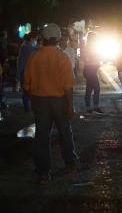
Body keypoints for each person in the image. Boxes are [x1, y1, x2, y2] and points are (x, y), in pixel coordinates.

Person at [24, 23, 77, 185]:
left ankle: (43, 173)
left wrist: (34, 99)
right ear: (58, 38)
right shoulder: (62, 57)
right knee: (65, 132)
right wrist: (70, 105)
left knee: (41, 136)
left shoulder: (34, 57)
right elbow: (68, 85)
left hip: (40, 100)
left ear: (43, 38)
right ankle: (69, 162)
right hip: (59, 100)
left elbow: (27, 84)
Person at [81, 32, 103, 114]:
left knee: (89, 89)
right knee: (97, 88)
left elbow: (100, 58)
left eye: (95, 37)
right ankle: (94, 107)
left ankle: (89, 107)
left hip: (93, 69)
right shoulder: (87, 47)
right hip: (89, 69)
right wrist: (95, 58)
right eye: (93, 37)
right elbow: (86, 59)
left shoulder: (96, 47)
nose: (94, 39)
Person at [17, 32, 38, 112]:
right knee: (27, 90)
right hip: (25, 71)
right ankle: (28, 108)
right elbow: (37, 50)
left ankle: (28, 107)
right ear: (31, 39)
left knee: (27, 90)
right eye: (35, 39)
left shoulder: (25, 46)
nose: (36, 40)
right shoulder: (27, 47)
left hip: (25, 71)